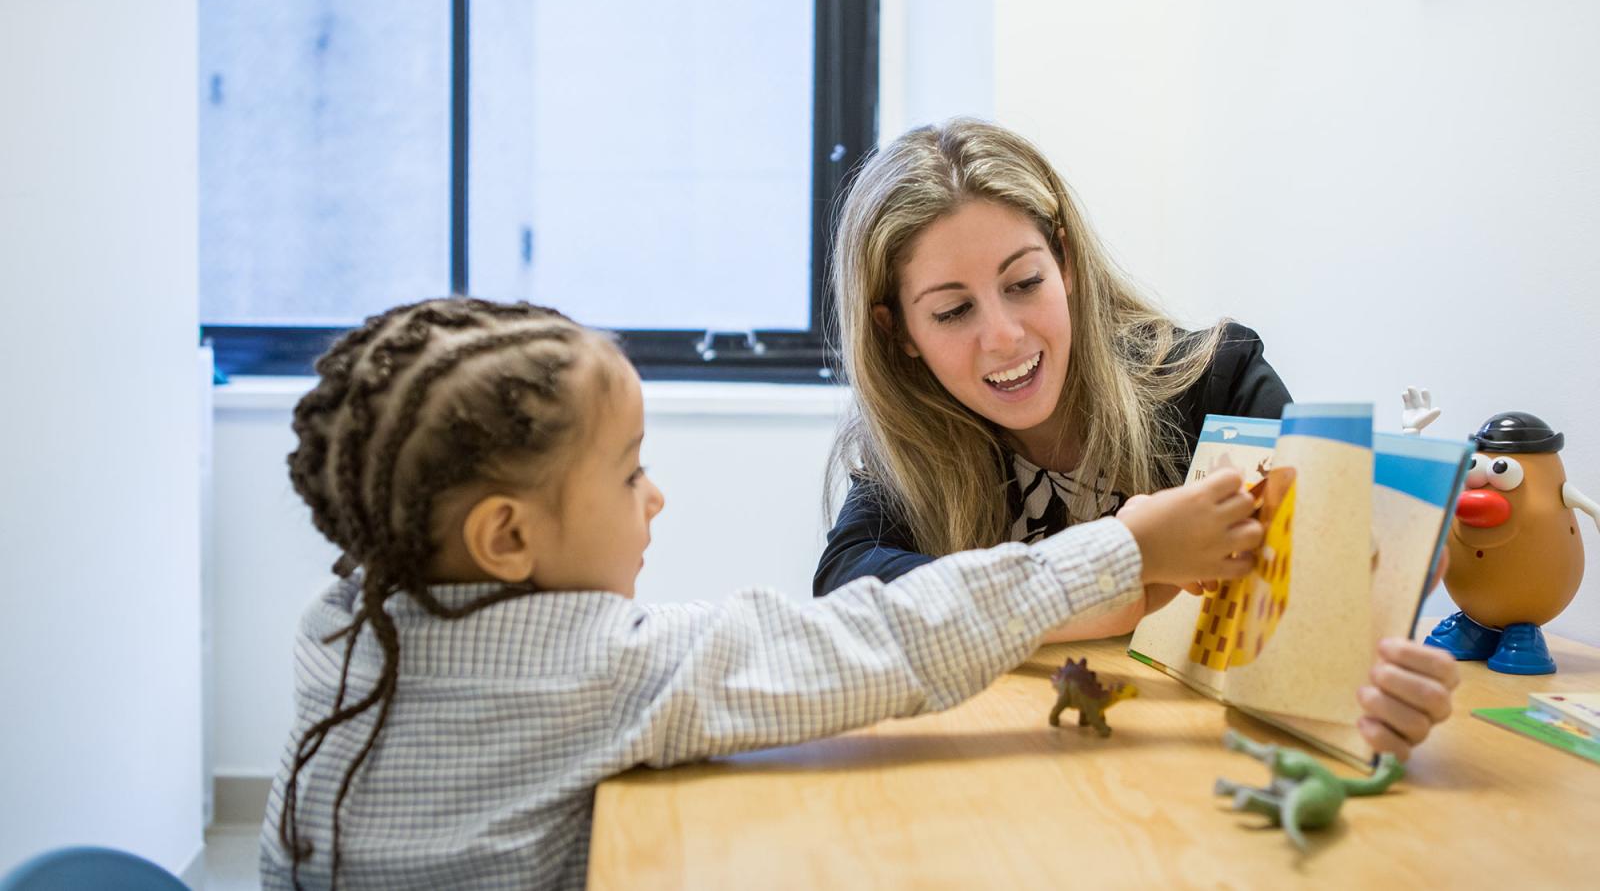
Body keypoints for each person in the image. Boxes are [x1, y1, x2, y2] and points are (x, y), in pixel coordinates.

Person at [259, 297, 1263, 890]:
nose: (656, 497)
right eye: (626, 474)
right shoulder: (601, 675)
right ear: (505, 537)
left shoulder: (342, 624)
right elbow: (884, 637)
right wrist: (1121, 548)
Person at [815, 118, 1458, 759]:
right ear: (898, 332)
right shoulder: (910, 452)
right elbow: (850, 596)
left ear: (1064, 261)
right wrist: (1117, 577)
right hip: (1007, 773)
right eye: (954, 311)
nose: (1005, 335)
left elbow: (1331, 572)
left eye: (1024, 283)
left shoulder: (1217, 379)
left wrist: (1379, 639)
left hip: (1189, 769)